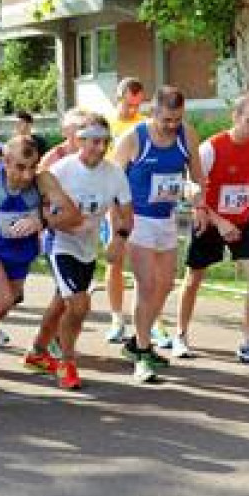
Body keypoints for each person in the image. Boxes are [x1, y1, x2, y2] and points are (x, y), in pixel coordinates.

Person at [0, 137, 76, 388]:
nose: (27, 174)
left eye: (32, 166)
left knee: (9, 301)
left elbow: (71, 213)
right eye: (20, 167)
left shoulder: (43, 181)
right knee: (2, 299)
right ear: (5, 162)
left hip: (21, 252)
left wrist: (42, 221)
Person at [22, 113, 133, 390]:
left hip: (88, 247)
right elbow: (39, 206)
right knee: (79, 305)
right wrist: (57, 221)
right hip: (60, 244)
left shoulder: (115, 173)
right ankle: (67, 362)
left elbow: (126, 214)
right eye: (94, 141)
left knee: (62, 303)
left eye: (105, 142)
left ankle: (37, 352)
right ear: (79, 141)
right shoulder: (61, 170)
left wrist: (118, 239)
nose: (100, 147)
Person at [110, 85, 207, 382]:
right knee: (147, 284)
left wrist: (197, 198)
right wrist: (119, 228)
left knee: (164, 285)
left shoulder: (186, 135)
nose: (171, 126)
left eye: (177, 119)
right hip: (137, 218)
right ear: (153, 112)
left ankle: (137, 342)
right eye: (166, 120)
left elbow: (197, 176)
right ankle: (142, 354)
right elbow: (112, 182)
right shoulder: (133, 138)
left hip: (166, 218)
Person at [176, 94, 249, 365]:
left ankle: (248, 341)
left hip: (242, 220)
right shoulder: (212, 148)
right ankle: (180, 334)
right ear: (236, 117)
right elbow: (191, 189)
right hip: (209, 218)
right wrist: (218, 221)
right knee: (194, 279)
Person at [103, 77, 149, 342]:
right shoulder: (108, 125)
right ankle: (116, 317)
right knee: (116, 256)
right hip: (115, 199)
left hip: (140, 200)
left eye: (137, 105)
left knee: (143, 259)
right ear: (118, 97)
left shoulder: (143, 126)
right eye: (128, 104)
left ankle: (145, 319)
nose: (132, 110)